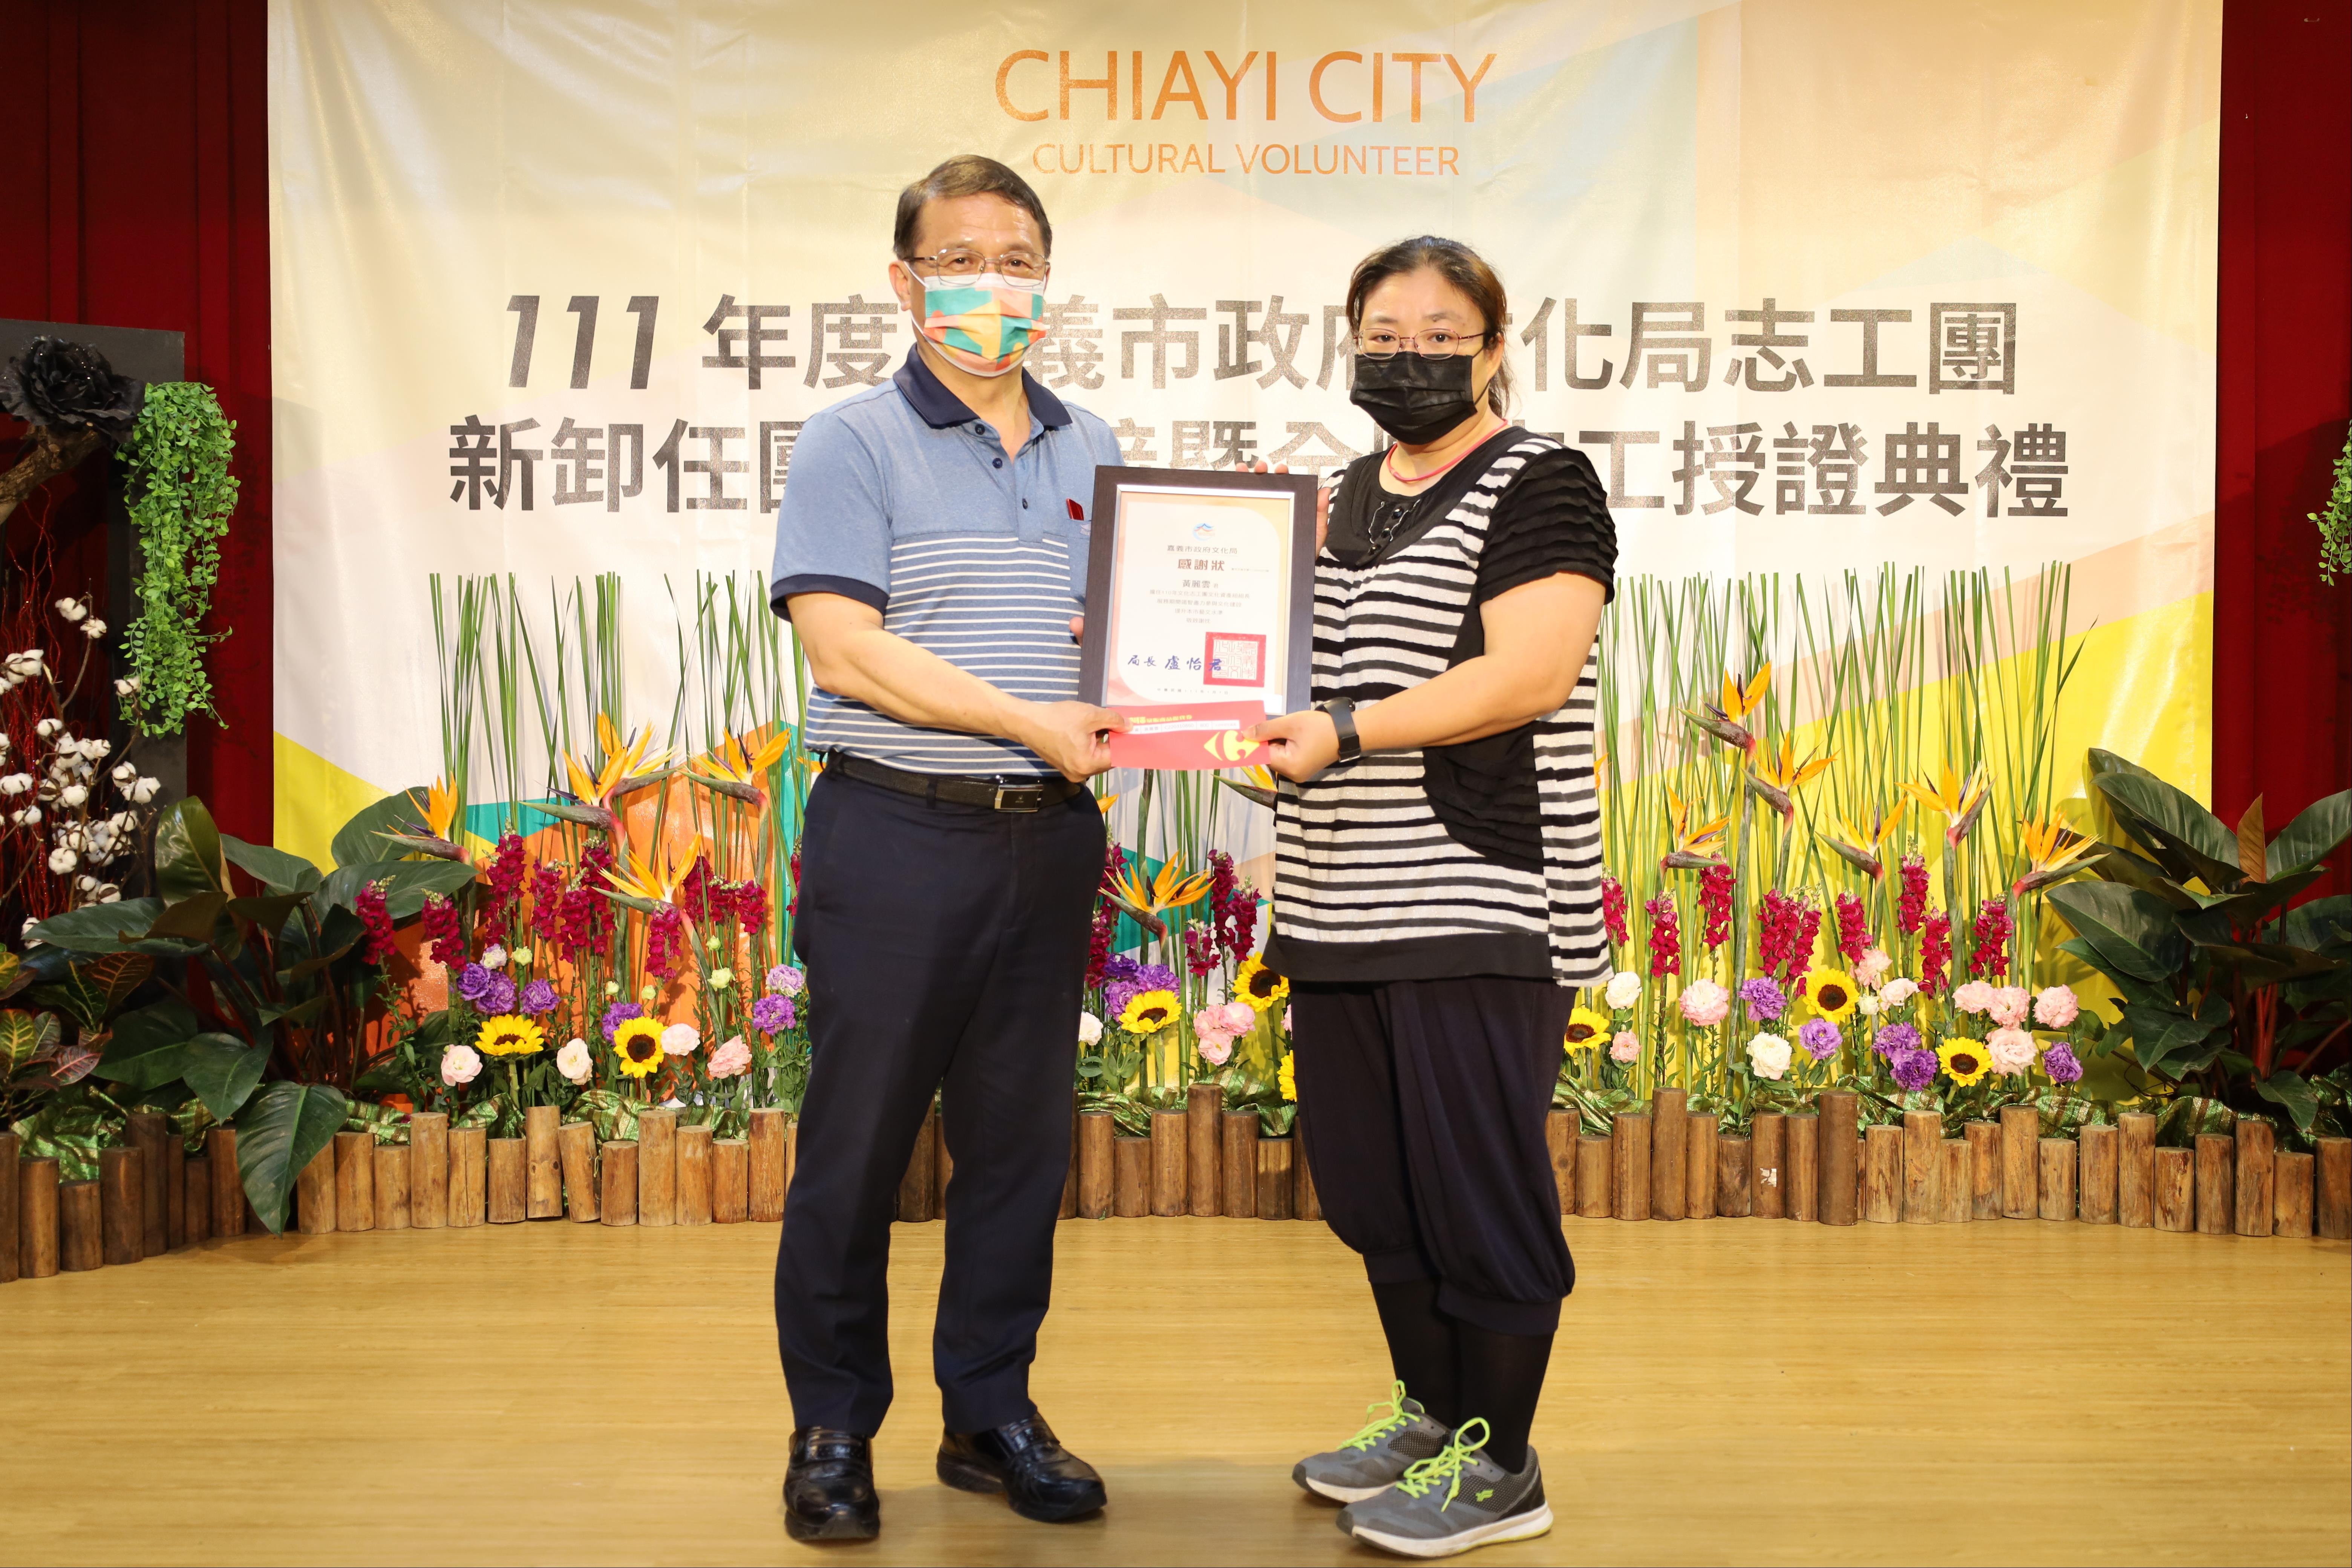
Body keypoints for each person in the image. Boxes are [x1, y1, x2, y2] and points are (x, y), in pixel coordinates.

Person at [766, 154, 1125, 1544]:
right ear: (907, 283)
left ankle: (988, 1412)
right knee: (855, 1148)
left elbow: (1128, 641)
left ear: (1049, 279)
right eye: (963, 259)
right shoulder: (852, 442)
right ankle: (832, 1427)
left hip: (1049, 843)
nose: (995, 284)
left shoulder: (1095, 446)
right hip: (897, 831)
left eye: (1019, 260)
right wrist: (1027, 720)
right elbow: (845, 651)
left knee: (1020, 1148)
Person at [1249, 236, 1618, 1559]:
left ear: (1495, 348)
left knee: (1477, 1191)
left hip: (1477, 896)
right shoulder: (1330, 501)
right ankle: (1433, 1421)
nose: (1410, 358)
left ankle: (1502, 1463)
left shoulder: (1541, 482)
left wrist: (1345, 731)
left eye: (1441, 335)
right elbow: (1288, 679)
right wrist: (1178, 688)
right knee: (1374, 1191)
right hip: (1335, 897)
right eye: (1384, 336)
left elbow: (1528, 675)